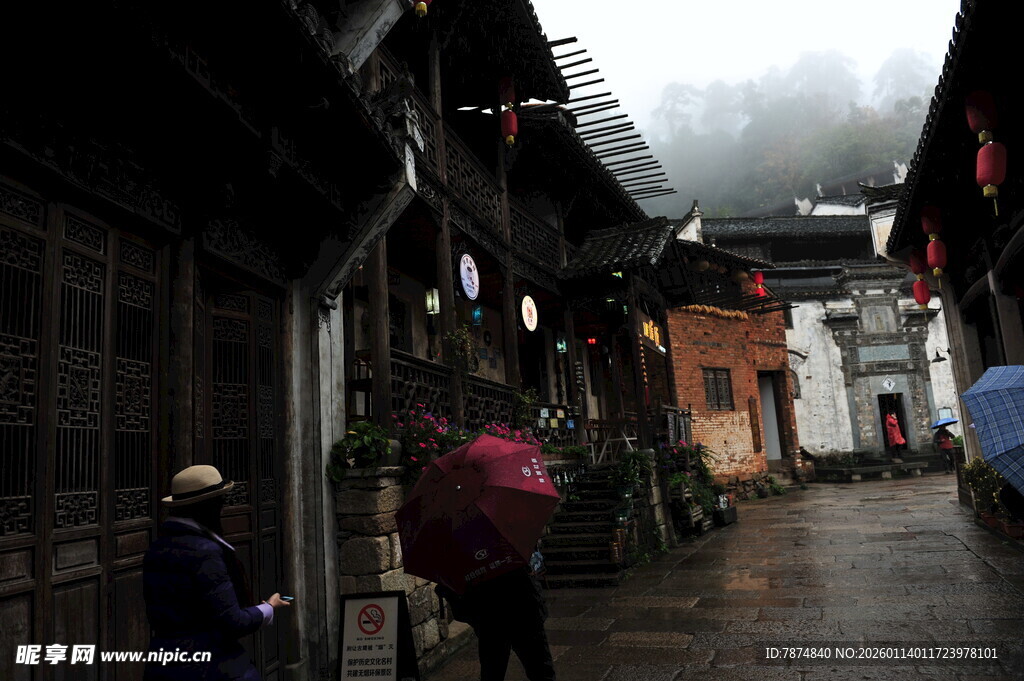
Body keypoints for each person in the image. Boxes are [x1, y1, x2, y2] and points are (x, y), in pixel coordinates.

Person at [143, 465, 291, 680]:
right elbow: (233, 621)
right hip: (210, 666)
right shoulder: (205, 552)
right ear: (209, 507)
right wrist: (268, 608)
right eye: (220, 503)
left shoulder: (156, 549)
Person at [437, 566, 556, 681]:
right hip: (518, 612)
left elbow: (463, 611)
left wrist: (449, 591)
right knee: (540, 672)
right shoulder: (506, 556)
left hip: (503, 617)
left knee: (538, 672)